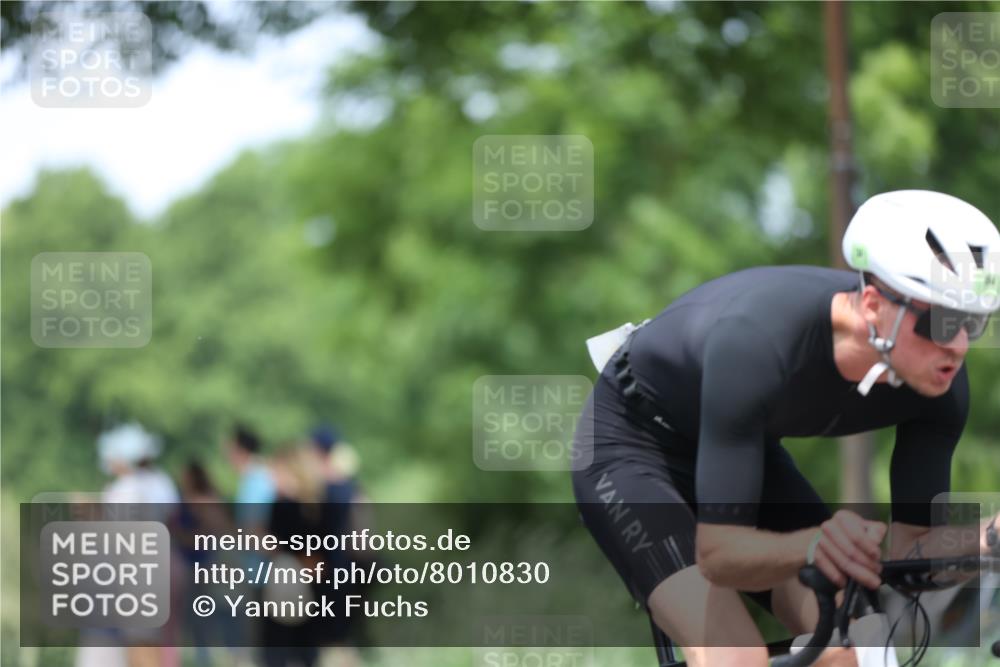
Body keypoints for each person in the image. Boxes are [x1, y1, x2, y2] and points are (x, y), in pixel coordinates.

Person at [571, 190, 1000, 667]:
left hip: (739, 450)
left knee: (860, 647)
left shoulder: (938, 386)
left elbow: (910, 555)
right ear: (875, 306)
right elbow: (718, 555)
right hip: (633, 444)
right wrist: (813, 544)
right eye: (941, 322)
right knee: (735, 656)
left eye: (973, 323)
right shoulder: (759, 343)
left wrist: (989, 537)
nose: (959, 346)